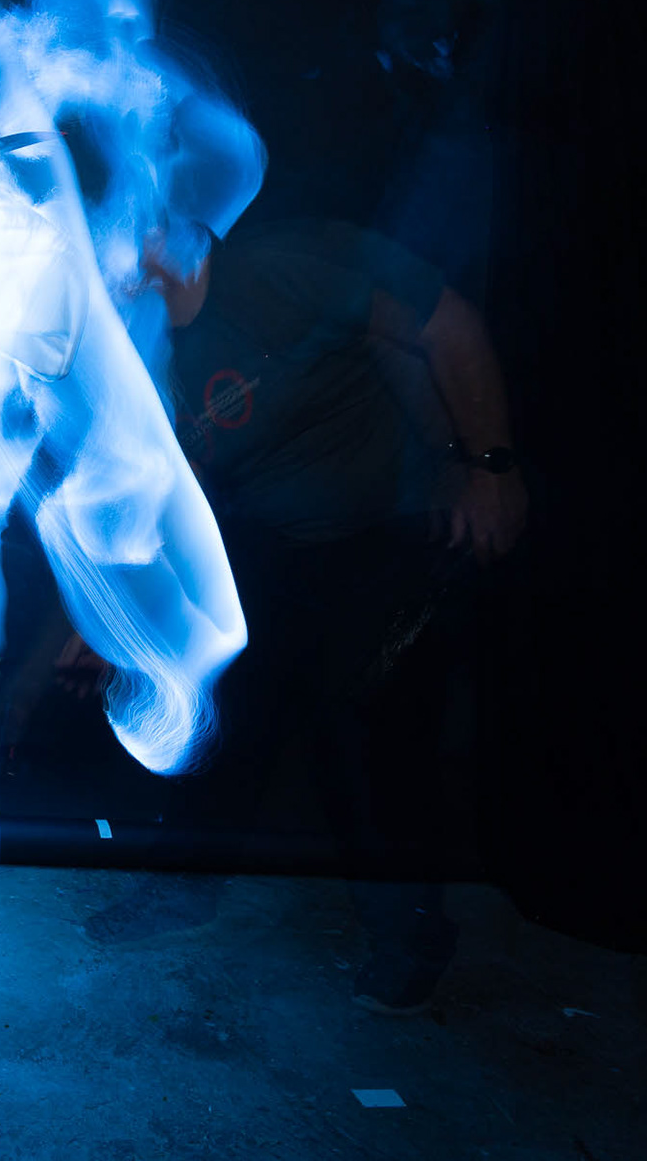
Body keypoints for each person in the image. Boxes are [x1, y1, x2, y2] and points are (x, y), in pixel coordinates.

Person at [134, 216, 526, 1013]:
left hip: (382, 535)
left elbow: (447, 325)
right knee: (218, 711)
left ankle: (411, 933)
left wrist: (487, 469)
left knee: (374, 740)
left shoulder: (281, 269)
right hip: (271, 541)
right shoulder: (149, 345)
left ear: (161, 233)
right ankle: (182, 893)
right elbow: (176, 479)